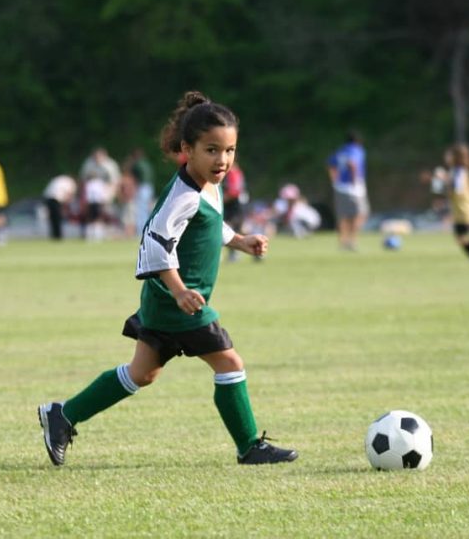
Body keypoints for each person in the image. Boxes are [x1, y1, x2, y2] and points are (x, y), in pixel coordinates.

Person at [38, 91, 298, 466]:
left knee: (141, 374)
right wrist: (179, 291)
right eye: (212, 150)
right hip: (177, 304)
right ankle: (248, 447)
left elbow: (208, 224)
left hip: (168, 302)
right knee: (230, 363)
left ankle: (62, 415)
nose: (222, 160)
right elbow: (155, 243)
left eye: (229, 150)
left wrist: (239, 240)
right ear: (187, 150)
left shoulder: (208, 185)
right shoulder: (182, 196)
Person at [327, 131, 369, 251]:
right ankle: (352, 241)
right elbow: (352, 164)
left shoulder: (340, 150)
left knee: (343, 216)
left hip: (340, 186)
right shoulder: (356, 150)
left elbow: (331, 165)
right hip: (353, 187)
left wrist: (335, 180)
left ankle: (343, 241)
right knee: (361, 214)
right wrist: (354, 181)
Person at [223, 162, 247, 261]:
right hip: (233, 204)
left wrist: (219, 201)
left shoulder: (233, 172)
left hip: (235, 205)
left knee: (229, 228)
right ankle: (256, 245)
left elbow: (233, 192)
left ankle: (256, 245)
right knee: (237, 229)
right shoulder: (234, 172)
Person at [43, 175, 77, 240]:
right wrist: (66, 205)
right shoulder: (70, 182)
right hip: (56, 199)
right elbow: (69, 194)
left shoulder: (59, 179)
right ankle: (58, 236)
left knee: (52, 219)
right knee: (57, 218)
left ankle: (54, 235)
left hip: (48, 198)